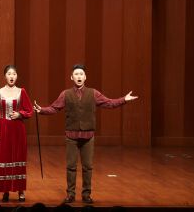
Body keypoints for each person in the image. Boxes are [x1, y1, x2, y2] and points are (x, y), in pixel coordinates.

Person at [34, 64, 138, 204]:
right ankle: (70, 194)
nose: (79, 76)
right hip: (71, 136)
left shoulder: (93, 93)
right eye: (76, 74)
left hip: (88, 136)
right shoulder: (66, 94)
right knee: (71, 166)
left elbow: (109, 103)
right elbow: (54, 108)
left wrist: (124, 99)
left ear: (85, 77)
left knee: (87, 167)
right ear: (72, 77)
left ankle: (86, 194)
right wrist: (41, 110)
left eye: (81, 74)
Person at [0, 64, 33, 203]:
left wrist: (20, 114)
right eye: (9, 74)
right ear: (5, 76)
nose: (12, 76)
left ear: (17, 76)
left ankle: (20, 191)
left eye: (14, 74)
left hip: (17, 130)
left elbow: (29, 110)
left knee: (18, 157)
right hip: (3, 129)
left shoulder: (21, 92)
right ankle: (5, 190)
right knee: (4, 158)